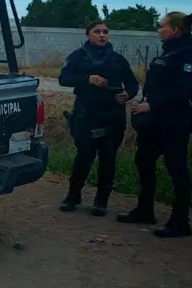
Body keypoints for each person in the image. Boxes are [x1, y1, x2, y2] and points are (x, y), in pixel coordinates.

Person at [119, 11, 192, 238]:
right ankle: (145, 210)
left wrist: (152, 106)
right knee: (144, 160)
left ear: (175, 30)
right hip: (157, 121)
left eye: (161, 26)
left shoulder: (191, 54)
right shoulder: (171, 51)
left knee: (177, 168)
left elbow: (184, 90)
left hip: (176, 120)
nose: (158, 30)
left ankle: (180, 222)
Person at [57, 21, 139, 216]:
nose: (102, 35)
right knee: (84, 157)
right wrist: (87, 79)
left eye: (105, 32)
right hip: (87, 115)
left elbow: (132, 83)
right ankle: (73, 196)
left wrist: (128, 95)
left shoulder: (117, 59)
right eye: (97, 32)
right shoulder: (79, 56)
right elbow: (63, 78)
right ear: (88, 35)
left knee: (108, 159)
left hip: (112, 116)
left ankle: (101, 202)